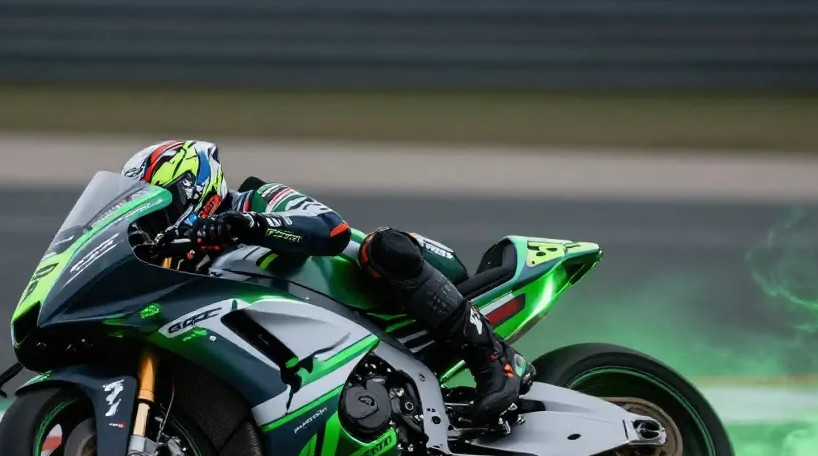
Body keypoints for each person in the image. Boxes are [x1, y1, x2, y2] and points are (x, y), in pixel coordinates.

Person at [122, 138, 533, 425]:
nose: (156, 225)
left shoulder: (257, 199)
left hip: (396, 286)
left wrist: (249, 224)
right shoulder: (193, 264)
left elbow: (330, 230)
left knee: (383, 248)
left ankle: (493, 359)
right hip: (326, 347)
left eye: (160, 211)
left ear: (194, 189)